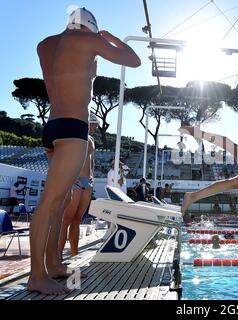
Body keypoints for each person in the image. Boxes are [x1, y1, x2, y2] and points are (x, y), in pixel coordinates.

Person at [28, 7, 140, 295]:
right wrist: (111, 37)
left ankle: (52, 264)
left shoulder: (46, 45)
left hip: (51, 128)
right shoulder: (88, 40)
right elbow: (134, 60)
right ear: (90, 27)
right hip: (72, 130)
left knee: (61, 200)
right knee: (50, 203)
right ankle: (36, 276)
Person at [58, 113, 98, 259]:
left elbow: (91, 160)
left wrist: (92, 177)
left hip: (87, 181)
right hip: (75, 179)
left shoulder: (91, 139)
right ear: (89, 123)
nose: (96, 128)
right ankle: (58, 256)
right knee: (66, 219)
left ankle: (74, 254)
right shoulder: (75, 134)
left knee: (77, 220)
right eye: (94, 124)